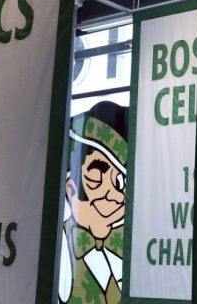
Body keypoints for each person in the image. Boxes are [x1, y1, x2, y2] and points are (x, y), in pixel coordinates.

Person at [59, 101, 128, 304]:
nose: (112, 195)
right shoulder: (59, 247)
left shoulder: (132, 245)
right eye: (96, 177)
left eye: (119, 182)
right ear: (70, 188)